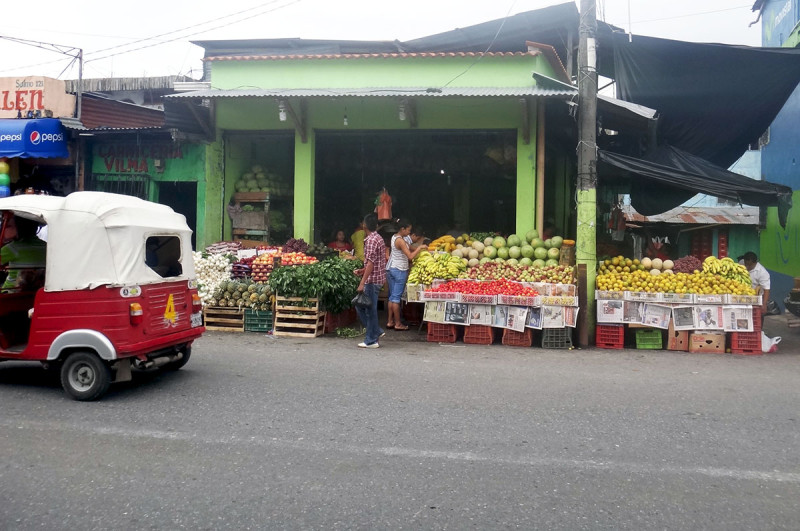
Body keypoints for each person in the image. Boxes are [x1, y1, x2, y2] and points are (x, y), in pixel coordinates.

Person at [385, 219, 426, 331]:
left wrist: (423, 249)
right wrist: (420, 248)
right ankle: (398, 324)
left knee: (392, 297)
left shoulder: (396, 237)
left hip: (393, 269)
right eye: (408, 230)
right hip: (400, 270)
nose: (409, 232)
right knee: (396, 299)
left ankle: (390, 321)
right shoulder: (400, 241)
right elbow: (410, 256)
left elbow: (409, 247)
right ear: (402, 229)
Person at [353, 213, 387, 348]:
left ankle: (371, 339)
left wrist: (362, 282)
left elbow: (372, 263)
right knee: (365, 308)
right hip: (376, 278)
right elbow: (374, 262)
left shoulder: (371, 240)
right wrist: (362, 271)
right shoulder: (378, 238)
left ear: (364, 225)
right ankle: (375, 332)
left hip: (372, 281)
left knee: (367, 309)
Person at [1, 216, 47, 291]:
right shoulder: (46, 246)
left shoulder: (12, 248)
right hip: (37, 291)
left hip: (11, 292)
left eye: (8, 226)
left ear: (18, 228)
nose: (4, 227)